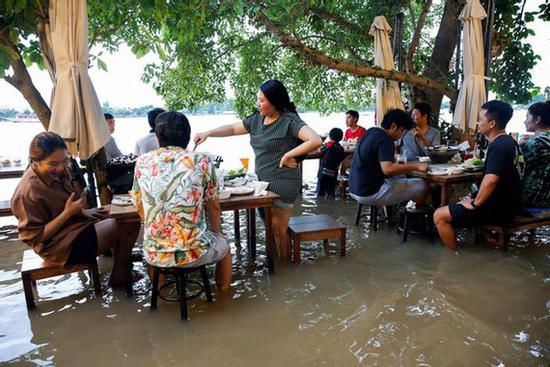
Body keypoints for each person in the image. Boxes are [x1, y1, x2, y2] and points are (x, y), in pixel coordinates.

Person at [194, 79, 322, 258]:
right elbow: (231, 129)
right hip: (261, 183)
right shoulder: (256, 119)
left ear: (275, 101)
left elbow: (315, 140)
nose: (258, 103)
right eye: (258, 99)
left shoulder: (289, 120)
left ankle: (286, 270)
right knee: (270, 228)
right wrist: (207, 133)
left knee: (279, 230)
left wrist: (287, 155)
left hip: (283, 182)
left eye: (262, 100)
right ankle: (278, 264)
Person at [11, 132, 138, 285]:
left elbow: (66, 203)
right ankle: (120, 275)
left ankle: (123, 261)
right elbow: (35, 237)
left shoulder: (62, 170)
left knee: (126, 209)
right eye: (53, 164)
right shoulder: (28, 192)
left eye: (64, 161)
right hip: (59, 247)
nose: (60, 168)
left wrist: (82, 212)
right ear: (35, 162)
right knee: (127, 222)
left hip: (74, 225)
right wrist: (67, 213)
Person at [131, 111, 232, 290]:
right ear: (187, 136)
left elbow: (138, 204)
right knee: (225, 247)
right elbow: (213, 206)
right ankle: (224, 298)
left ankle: (159, 298)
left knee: (153, 248)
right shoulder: (202, 161)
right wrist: (218, 234)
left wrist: (156, 231)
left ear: (157, 137)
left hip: (153, 252)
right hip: (193, 252)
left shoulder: (142, 161)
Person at [434, 100, 524, 249]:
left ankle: (454, 258)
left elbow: (491, 180)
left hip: (500, 209)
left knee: (439, 215)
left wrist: (475, 204)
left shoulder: (499, 146)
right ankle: (486, 239)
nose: (477, 123)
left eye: (480, 119)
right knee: (461, 203)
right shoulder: (509, 142)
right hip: (509, 204)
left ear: (492, 124)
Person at [348, 109, 429, 207]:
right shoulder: (385, 139)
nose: (401, 135)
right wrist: (416, 166)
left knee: (401, 180)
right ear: (393, 126)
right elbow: (388, 169)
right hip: (370, 192)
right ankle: (413, 217)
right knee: (422, 185)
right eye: (402, 130)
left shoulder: (371, 131)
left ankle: (405, 210)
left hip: (354, 188)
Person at [520, 101, 550, 208]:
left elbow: (515, 165)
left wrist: (518, 145)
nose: (524, 121)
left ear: (537, 119)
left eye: (527, 117)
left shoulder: (535, 144)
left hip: (535, 198)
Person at [317, 128, 346, 197]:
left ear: (329, 136)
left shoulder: (328, 145)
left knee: (320, 193)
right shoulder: (341, 148)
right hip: (333, 173)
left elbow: (319, 151)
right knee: (331, 192)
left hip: (323, 172)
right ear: (341, 138)